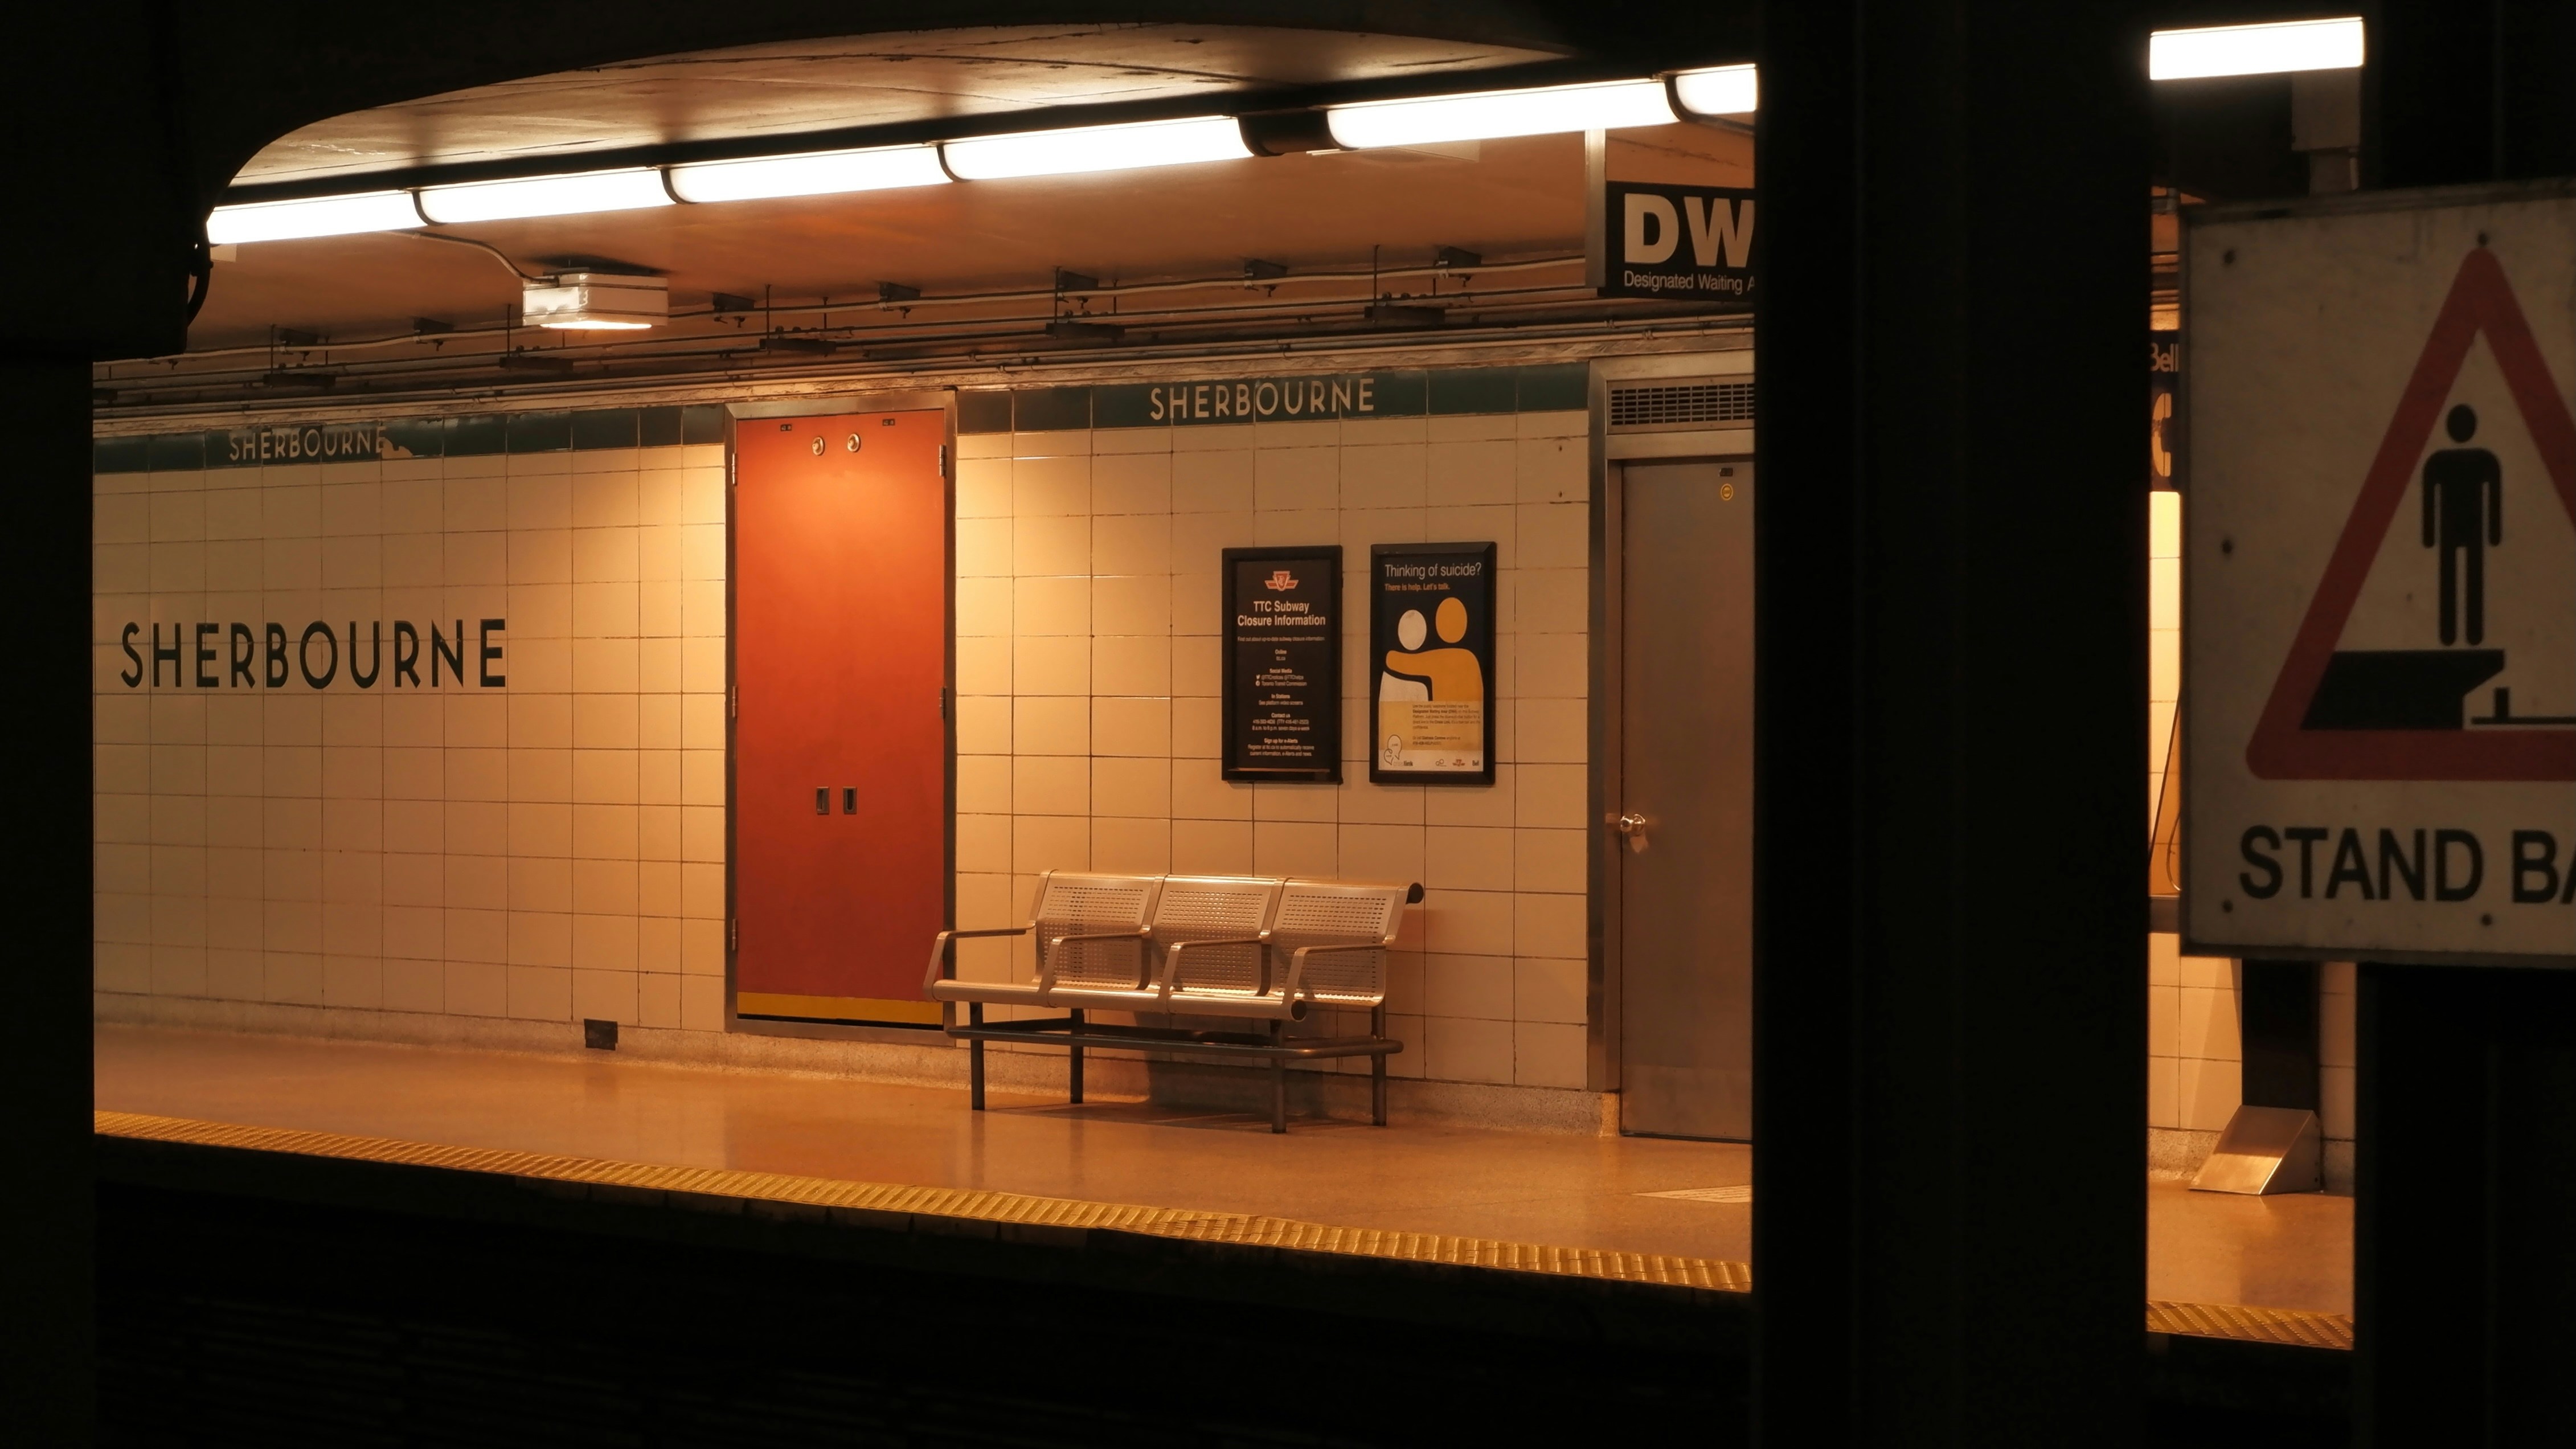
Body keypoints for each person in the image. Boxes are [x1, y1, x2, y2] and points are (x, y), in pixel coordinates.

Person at [2422, 403, 2503, 646]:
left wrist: (2494, 533)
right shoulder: (2481, 460)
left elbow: (2494, 497)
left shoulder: (2443, 462)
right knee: (2458, 579)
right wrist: (2494, 534)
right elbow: (2429, 499)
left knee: (2465, 579)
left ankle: (2468, 634)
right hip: (2463, 530)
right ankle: (2455, 634)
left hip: (2462, 530)